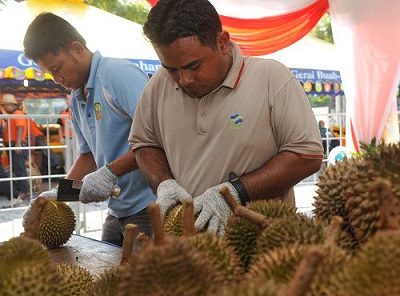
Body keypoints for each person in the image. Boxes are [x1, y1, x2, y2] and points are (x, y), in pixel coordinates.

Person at [129, 0, 324, 236]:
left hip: (261, 245)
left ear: (222, 42)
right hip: (183, 248)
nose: (184, 80)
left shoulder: (271, 78)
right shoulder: (160, 82)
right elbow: (145, 143)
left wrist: (236, 192)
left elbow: (307, 155)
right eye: (172, 69)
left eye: (193, 66)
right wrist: (164, 184)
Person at [22, 12, 156, 247]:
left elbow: (157, 136)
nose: (56, 79)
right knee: (106, 273)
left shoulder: (117, 75)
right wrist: (58, 193)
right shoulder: (76, 98)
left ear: (76, 48)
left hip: (150, 206)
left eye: (57, 68)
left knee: (142, 282)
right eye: (50, 73)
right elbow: (89, 157)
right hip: (117, 210)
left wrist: (110, 172)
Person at [0, 93, 30, 201]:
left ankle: (24, 191)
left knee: (19, 168)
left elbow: (20, 128)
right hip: (12, 144)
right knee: (17, 168)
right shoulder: (12, 115)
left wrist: (18, 144)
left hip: (16, 144)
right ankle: (21, 190)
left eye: (4, 106)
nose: (3, 108)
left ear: (9, 105)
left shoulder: (18, 114)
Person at [57, 94, 78, 171]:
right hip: (66, 138)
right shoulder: (62, 112)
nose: (68, 101)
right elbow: (60, 126)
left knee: (76, 158)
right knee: (67, 158)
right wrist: (61, 138)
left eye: (70, 99)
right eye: (67, 99)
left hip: (77, 139)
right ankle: (68, 175)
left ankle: (75, 177)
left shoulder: (78, 111)